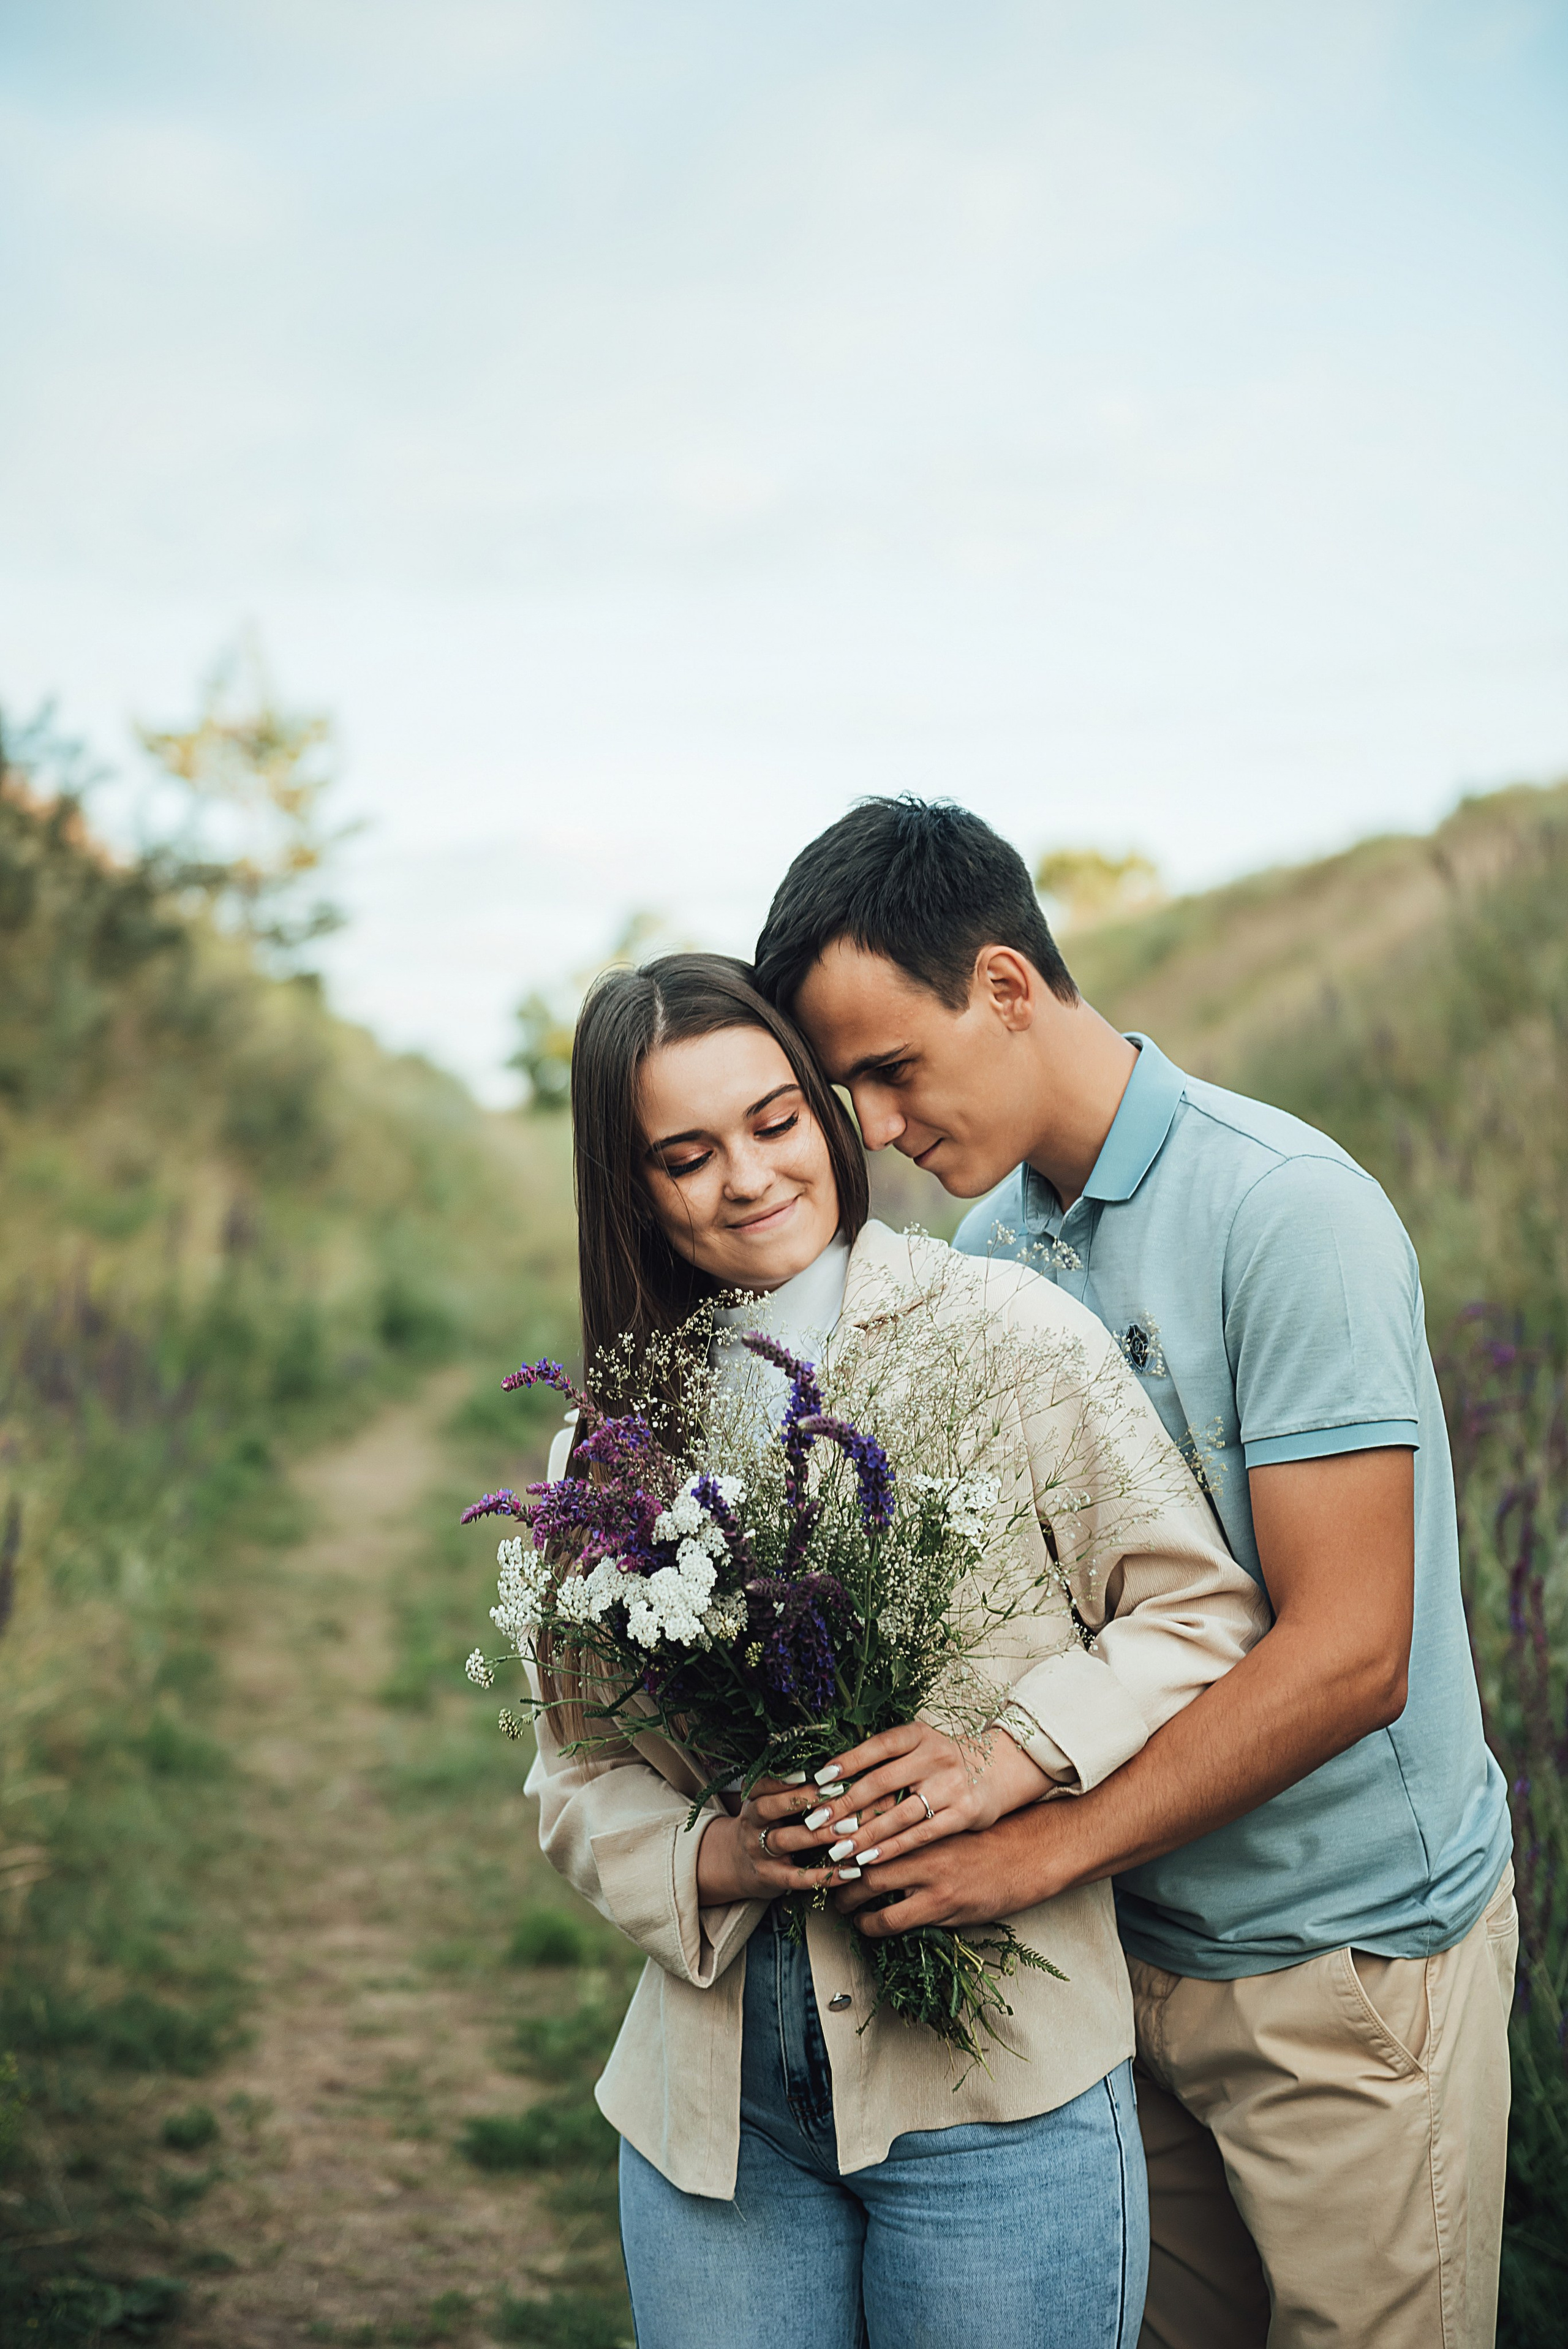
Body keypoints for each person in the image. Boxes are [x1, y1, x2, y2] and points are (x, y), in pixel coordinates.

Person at [752, 797, 1518, 2349]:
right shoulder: (986, 1254)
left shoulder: (1282, 1211)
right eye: (849, 1091)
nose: (876, 1126)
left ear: (1007, 986)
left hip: (1340, 1973)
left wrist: (1035, 1846)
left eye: (892, 1067)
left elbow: (1352, 1650)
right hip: (1118, 1968)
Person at [524, 952, 1267, 2349]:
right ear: (630, 1186)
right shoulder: (604, 1450)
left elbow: (1195, 1611)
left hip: (999, 2086)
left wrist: (1011, 1755)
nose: (747, 1177)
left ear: (820, 1110)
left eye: (772, 1122)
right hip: (716, 2117)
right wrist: (714, 1857)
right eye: (686, 1155)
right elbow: (573, 1777)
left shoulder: (1006, 1336)